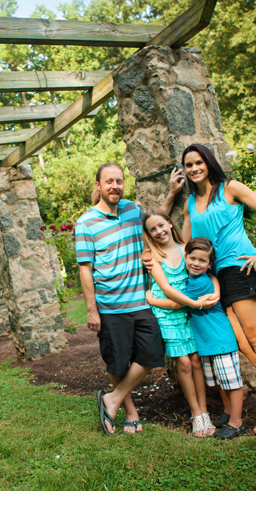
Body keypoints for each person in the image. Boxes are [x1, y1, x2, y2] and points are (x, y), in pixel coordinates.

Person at [163, 143, 256, 435]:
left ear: (209, 162)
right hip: (219, 277)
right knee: (240, 341)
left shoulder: (229, 188)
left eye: (198, 162)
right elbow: (185, 243)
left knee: (255, 336)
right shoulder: (190, 203)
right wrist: (170, 199)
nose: (193, 169)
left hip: (242, 269)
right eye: (188, 165)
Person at [75, 162, 166, 435]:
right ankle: (130, 411)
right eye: (109, 182)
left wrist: (172, 193)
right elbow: (85, 269)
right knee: (117, 362)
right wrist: (92, 310)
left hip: (140, 301)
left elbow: (157, 221)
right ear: (98, 186)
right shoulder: (85, 223)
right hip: (110, 307)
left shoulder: (131, 211)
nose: (115, 186)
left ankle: (111, 398)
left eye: (119, 181)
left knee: (152, 354)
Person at [148, 237, 246, 439]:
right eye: (192, 258)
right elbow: (212, 278)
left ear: (209, 264)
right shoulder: (199, 278)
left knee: (231, 382)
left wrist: (151, 299)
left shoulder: (198, 284)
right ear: (186, 256)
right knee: (220, 381)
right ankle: (228, 413)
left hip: (219, 339)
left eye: (202, 261)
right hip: (206, 342)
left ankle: (237, 423)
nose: (195, 263)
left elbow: (177, 303)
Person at [141, 208, 216, 437]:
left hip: (187, 312)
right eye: (153, 229)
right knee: (182, 362)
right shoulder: (153, 256)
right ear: (148, 234)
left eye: (161, 225)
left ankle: (205, 413)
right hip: (168, 312)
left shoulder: (187, 250)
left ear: (170, 224)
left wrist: (215, 294)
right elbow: (166, 290)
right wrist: (192, 304)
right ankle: (195, 414)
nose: (159, 231)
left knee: (196, 361)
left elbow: (207, 272)